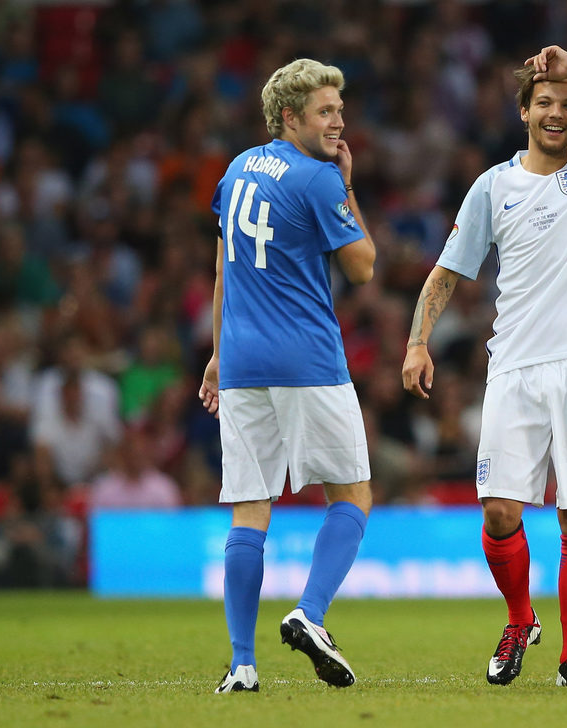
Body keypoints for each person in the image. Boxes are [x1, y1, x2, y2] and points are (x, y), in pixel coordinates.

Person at [402, 45, 567, 687]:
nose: (557, 113)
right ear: (524, 110)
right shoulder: (493, 186)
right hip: (514, 369)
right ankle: (521, 618)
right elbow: (446, 272)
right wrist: (417, 342)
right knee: (499, 511)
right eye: (545, 102)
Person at [199, 58, 376, 694]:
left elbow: (224, 269)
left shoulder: (236, 168)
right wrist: (346, 185)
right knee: (352, 495)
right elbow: (362, 267)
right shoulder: (316, 178)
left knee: (250, 509)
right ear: (289, 117)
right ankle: (312, 614)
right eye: (325, 112)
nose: (338, 121)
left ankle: (242, 664)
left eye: (339, 109)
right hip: (306, 359)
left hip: (243, 364)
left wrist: (218, 354)